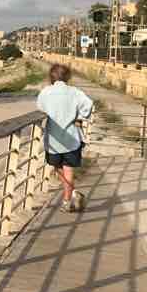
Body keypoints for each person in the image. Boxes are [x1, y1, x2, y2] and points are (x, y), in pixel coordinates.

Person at [37, 63, 93, 212]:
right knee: (68, 169)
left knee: (57, 167)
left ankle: (69, 197)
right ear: (67, 77)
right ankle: (70, 197)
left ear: (51, 77)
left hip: (54, 139)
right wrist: (80, 117)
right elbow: (88, 105)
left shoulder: (46, 92)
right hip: (72, 138)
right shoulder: (75, 92)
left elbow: (40, 107)